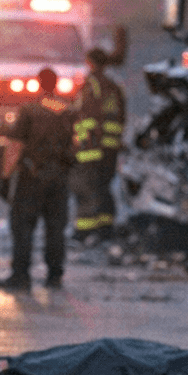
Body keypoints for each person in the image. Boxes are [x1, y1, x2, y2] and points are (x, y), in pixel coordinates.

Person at [0, 67, 77, 290]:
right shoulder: (67, 111)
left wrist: (5, 177)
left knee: (22, 227)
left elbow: (14, 146)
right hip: (59, 178)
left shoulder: (30, 111)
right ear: (56, 84)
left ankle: (21, 277)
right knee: (55, 228)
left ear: (39, 84)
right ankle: (54, 276)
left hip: (32, 178)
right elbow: (77, 144)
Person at [72, 25, 128, 242]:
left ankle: (84, 230)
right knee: (103, 187)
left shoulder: (91, 85)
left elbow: (87, 116)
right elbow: (121, 116)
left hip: (91, 146)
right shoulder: (114, 86)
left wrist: (79, 142)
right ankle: (106, 228)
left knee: (85, 187)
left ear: (90, 62)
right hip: (110, 147)